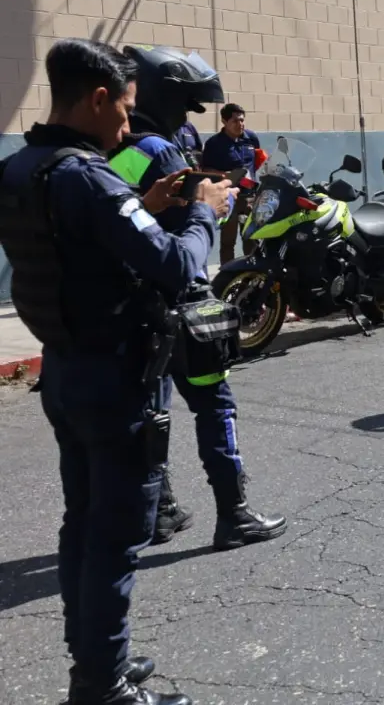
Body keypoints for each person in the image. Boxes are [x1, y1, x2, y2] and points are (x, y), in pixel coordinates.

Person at [0, 37, 234, 705]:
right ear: (98, 98)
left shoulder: (25, 168)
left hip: (67, 371)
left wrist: (148, 208)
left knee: (82, 521)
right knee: (118, 535)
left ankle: (98, 661)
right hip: (116, 378)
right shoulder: (88, 176)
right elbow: (177, 266)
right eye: (126, 112)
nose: (129, 127)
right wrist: (199, 213)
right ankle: (101, 686)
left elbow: (80, 247)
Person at [108, 45, 288, 552]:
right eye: (186, 104)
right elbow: (194, 227)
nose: (190, 116)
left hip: (137, 305)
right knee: (214, 407)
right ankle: (234, 514)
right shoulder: (163, 153)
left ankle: (159, 510)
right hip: (182, 301)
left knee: (153, 408)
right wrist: (215, 204)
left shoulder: (119, 149)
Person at [202, 102, 261, 263]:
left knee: (252, 239)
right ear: (224, 121)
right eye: (235, 121)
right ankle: (227, 278)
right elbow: (205, 170)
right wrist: (224, 175)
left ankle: (252, 275)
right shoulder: (214, 144)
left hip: (249, 198)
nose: (240, 124)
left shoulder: (251, 138)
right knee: (228, 242)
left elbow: (256, 162)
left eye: (242, 120)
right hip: (228, 198)